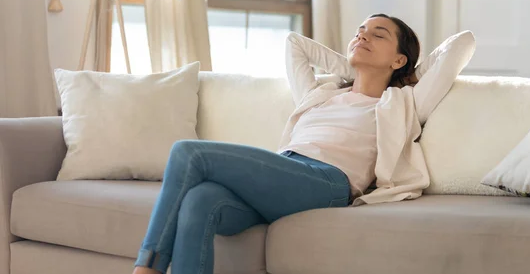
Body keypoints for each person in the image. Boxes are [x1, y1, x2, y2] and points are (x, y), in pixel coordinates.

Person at [132, 14, 476, 274]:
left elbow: (462, 43)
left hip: (326, 181)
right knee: (199, 199)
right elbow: (294, 43)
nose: (362, 36)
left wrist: (397, 73)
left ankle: (145, 267)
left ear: (399, 59)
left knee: (188, 152)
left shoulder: (404, 102)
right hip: (285, 174)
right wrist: (354, 66)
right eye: (359, 32)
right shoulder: (319, 95)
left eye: (378, 34)